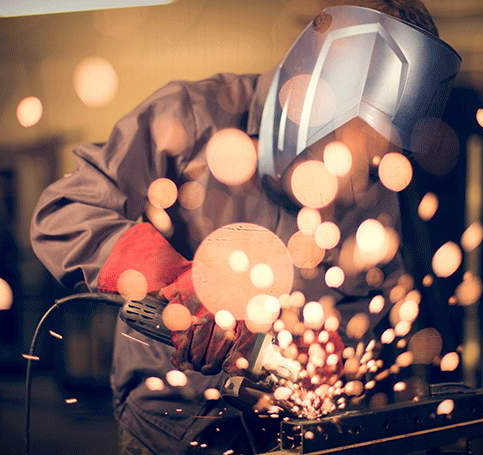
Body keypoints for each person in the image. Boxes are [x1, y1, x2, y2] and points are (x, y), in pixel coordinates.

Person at [30, 1, 460, 453]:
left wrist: (325, 353)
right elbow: (65, 211)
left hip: (283, 437)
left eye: (383, 147)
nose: (360, 170)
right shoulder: (193, 116)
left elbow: (368, 296)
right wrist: (178, 282)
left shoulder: (373, 178)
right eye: (361, 137)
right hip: (166, 430)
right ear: (324, 87)